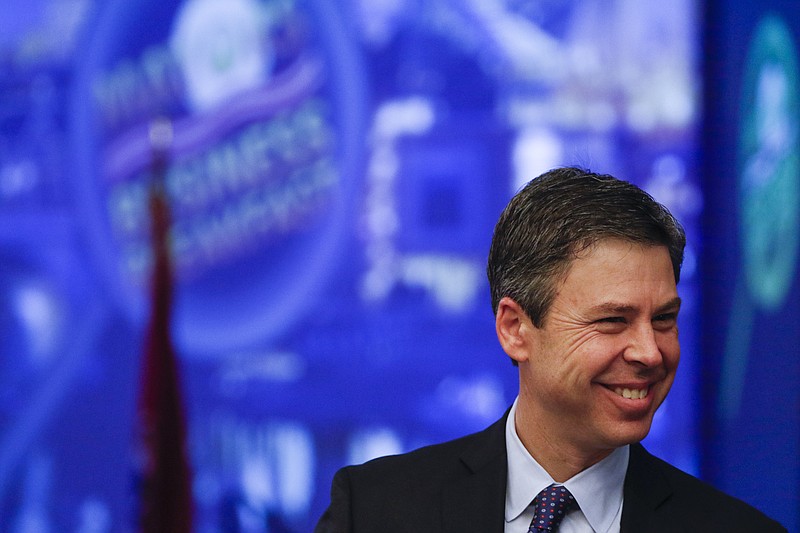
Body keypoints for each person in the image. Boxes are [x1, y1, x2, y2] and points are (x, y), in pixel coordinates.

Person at [315, 167, 786, 532]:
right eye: (612, 321)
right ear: (515, 329)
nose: (650, 352)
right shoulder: (374, 512)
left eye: (663, 320)